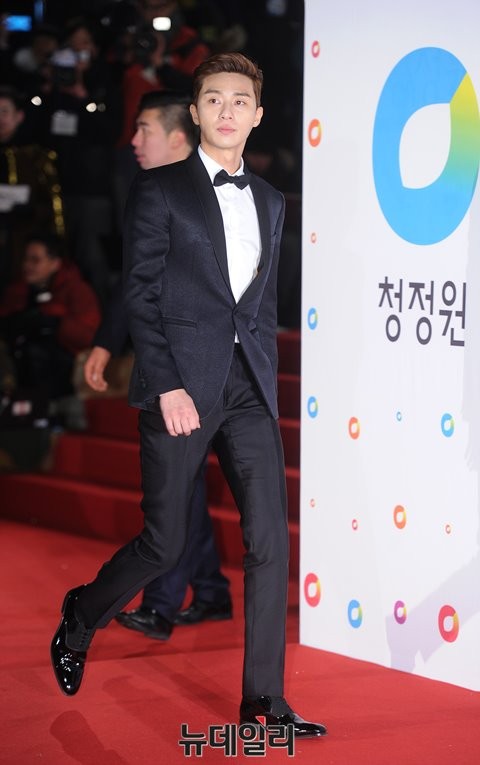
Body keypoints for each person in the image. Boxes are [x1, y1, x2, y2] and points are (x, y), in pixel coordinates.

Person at [51, 52, 327, 738]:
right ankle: (82, 613)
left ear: (258, 115)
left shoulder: (271, 200)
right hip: (180, 383)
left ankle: (264, 699)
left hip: (248, 389)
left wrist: (264, 379)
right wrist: (168, 383)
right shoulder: (161, 188)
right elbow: (141, 293)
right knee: (164, 542)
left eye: (240, 101)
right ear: (197, 112)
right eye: (214, 99)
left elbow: (259, 306)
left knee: (270, 543)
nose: (227, 111)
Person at [84, 90, 232, 639]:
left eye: (143, 129)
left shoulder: (218, 193)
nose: (133, 141)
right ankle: (209, 591)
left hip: (211, 368)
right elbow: (137, 283)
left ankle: (163, 604)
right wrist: (107, 342)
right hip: (172, 368)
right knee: (182, 488)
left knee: (177, 492)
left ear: (177, 135)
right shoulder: (150, 190)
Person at [0, 233, 100, 423]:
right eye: (26, 259)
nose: (27, 265)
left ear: (55, 263)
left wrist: (56, 321)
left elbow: (89, 336)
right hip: (18, 374)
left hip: (63, 374)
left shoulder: (76, 290)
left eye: (35, 260)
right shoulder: (17, 292)